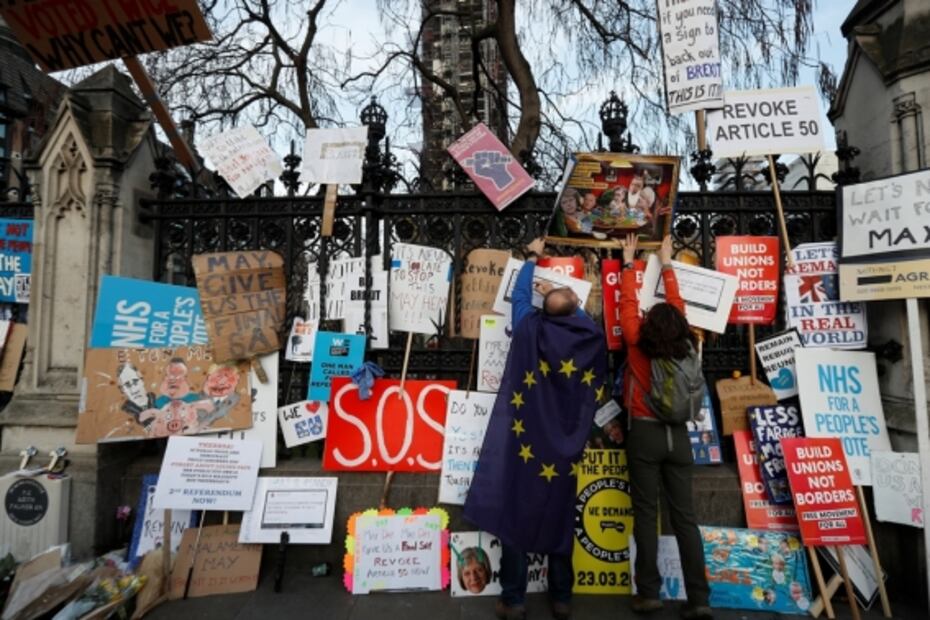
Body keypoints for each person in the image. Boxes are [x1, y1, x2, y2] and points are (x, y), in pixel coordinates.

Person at [465, 237, 607, 620]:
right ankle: (561, 598)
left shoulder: (530, 327)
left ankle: (513, 599)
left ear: (546, 310)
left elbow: (520, 298)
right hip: (564, 447)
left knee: (517, 514)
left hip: (526, 442)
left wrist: (530, 259)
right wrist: (564, 299)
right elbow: (578, 316)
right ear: (575, 311)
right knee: (561, 514)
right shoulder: (588, 336)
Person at [619, 233, 712, 620]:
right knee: (685, 518)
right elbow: (677, 306)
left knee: (645, 513)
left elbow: (626, 305)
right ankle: (699, 600)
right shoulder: (686, 341)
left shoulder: (637, 340)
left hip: (644, 432)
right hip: (680, 435)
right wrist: (668, 263)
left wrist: (629, 264)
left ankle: (649, 593)